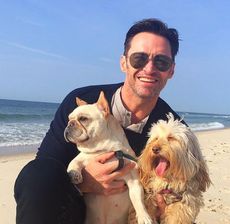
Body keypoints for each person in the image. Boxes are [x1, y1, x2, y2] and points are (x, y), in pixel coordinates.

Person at [14, 18, 182, 224]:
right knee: (37, 175)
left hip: (133, 215)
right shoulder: (81, 104)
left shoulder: (173, 129)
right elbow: (45, 170)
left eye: (161, 62)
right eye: (139, 58)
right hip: (76, 211)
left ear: (171, 70)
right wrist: (85, 183)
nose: (149, 68)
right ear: (123, 62)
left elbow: (183, 186)